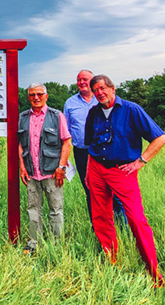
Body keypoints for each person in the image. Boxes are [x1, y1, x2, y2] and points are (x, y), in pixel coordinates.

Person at [84, 74, 165, 286]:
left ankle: (153, 272)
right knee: (101, 217)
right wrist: (87, 170)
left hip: (122, 171)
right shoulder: (93, 113)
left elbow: (160, 138)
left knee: (136, 219)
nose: (99, 93)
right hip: (95, 168)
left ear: (112, 88)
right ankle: (111, 262)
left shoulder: (132, 109)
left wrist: (141, 161)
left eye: (102, 88)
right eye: (95, 90)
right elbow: (89, 143)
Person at [63, 70, 126, 223]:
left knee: (115, 189)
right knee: (91, 190)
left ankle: (121, 225)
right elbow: (66, 130)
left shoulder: (102, 98)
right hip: (82, 153)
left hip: (108, 151)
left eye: (85, 79)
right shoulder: (70, 103)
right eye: (79, 80)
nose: (81, 82)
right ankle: (97, 226)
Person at [18, 83, 73, 255]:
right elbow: (20, 144)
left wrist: (61, 168)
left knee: (55, 210)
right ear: (28, 97)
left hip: (52, 172)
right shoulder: (23, 117)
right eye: (32, 94)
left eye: (40, 94)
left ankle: (56, 246)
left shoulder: (56, 116)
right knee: (33, 208)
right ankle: (34, 243)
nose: (36, 97)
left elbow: (67, 142)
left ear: (46, 96)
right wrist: (22, 167)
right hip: (31, 172)